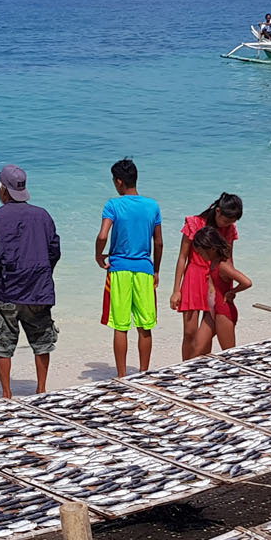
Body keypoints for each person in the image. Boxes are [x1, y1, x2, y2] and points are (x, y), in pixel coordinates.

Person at [0, 165, 61, 398]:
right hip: (39, 290)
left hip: (7, 291)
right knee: (42, 341)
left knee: (3, 345)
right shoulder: (43, 215)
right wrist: (44, 272)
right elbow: (54, 249)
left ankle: (6, 394)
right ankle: (41, 389)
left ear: (3, 190)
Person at [94, 158, 163, 377]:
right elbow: (159, 242)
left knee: (120, 325)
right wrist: (157, 270)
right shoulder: (152, 206)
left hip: (119, 269)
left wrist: (98, 255)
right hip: (144, 268)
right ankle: (143, 371)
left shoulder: (113, 205)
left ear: (119, 182)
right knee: (145, 325)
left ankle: (122, 375)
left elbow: (103, 235)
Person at [170, 192, 243, 359]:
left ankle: (203, 367)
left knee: (208, 330)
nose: (228, 225)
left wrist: (230, 289)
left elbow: (229, 258)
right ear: (218, 211)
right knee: (189, 332)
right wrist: (176, 290)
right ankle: (185, 366)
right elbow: (182, 257)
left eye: (232, 222)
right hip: (193, 277)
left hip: (217, 278)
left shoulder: (230, 228)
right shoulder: (195, 223)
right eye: (226, 221)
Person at [188, 227, 252, 357]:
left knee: (228, 354)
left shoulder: (223, 266)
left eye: (201, 252)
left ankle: (237, 375)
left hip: (223, 312)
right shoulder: (213, 262)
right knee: (197, 348)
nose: (200, 255)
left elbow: (247, 282)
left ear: (212, 249)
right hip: (212, 311)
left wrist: (232, 292)